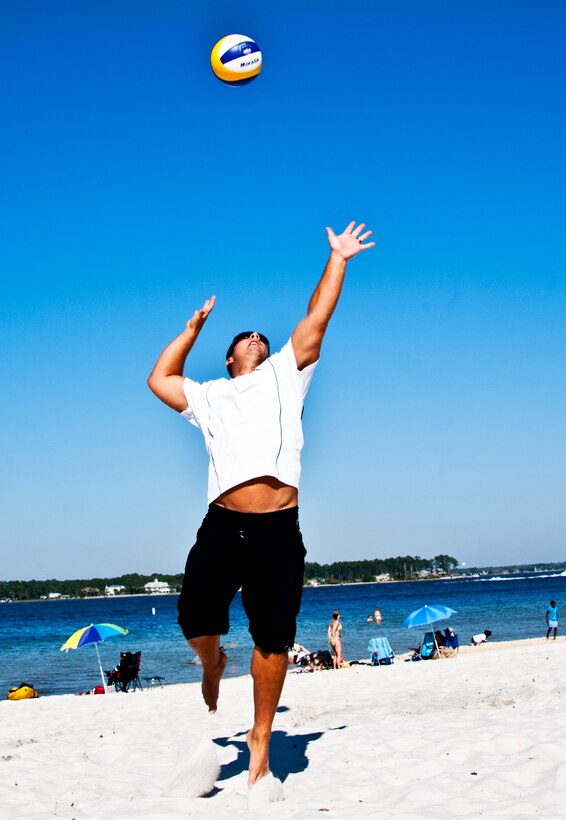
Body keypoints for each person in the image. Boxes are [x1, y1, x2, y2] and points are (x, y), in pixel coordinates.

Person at [147, 221, 374, 790]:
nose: (255, 337)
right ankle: (213, 663)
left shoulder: (286, 375)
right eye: (244, 338)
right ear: (228, 359)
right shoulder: (209, 395)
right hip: (223, 526)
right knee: (195, 619)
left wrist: (338, 259)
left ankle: (260, 739)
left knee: (274, 638)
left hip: (278, 528)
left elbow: (316, 317)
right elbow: (160, 378)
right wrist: (191, 329)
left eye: (260, 336)